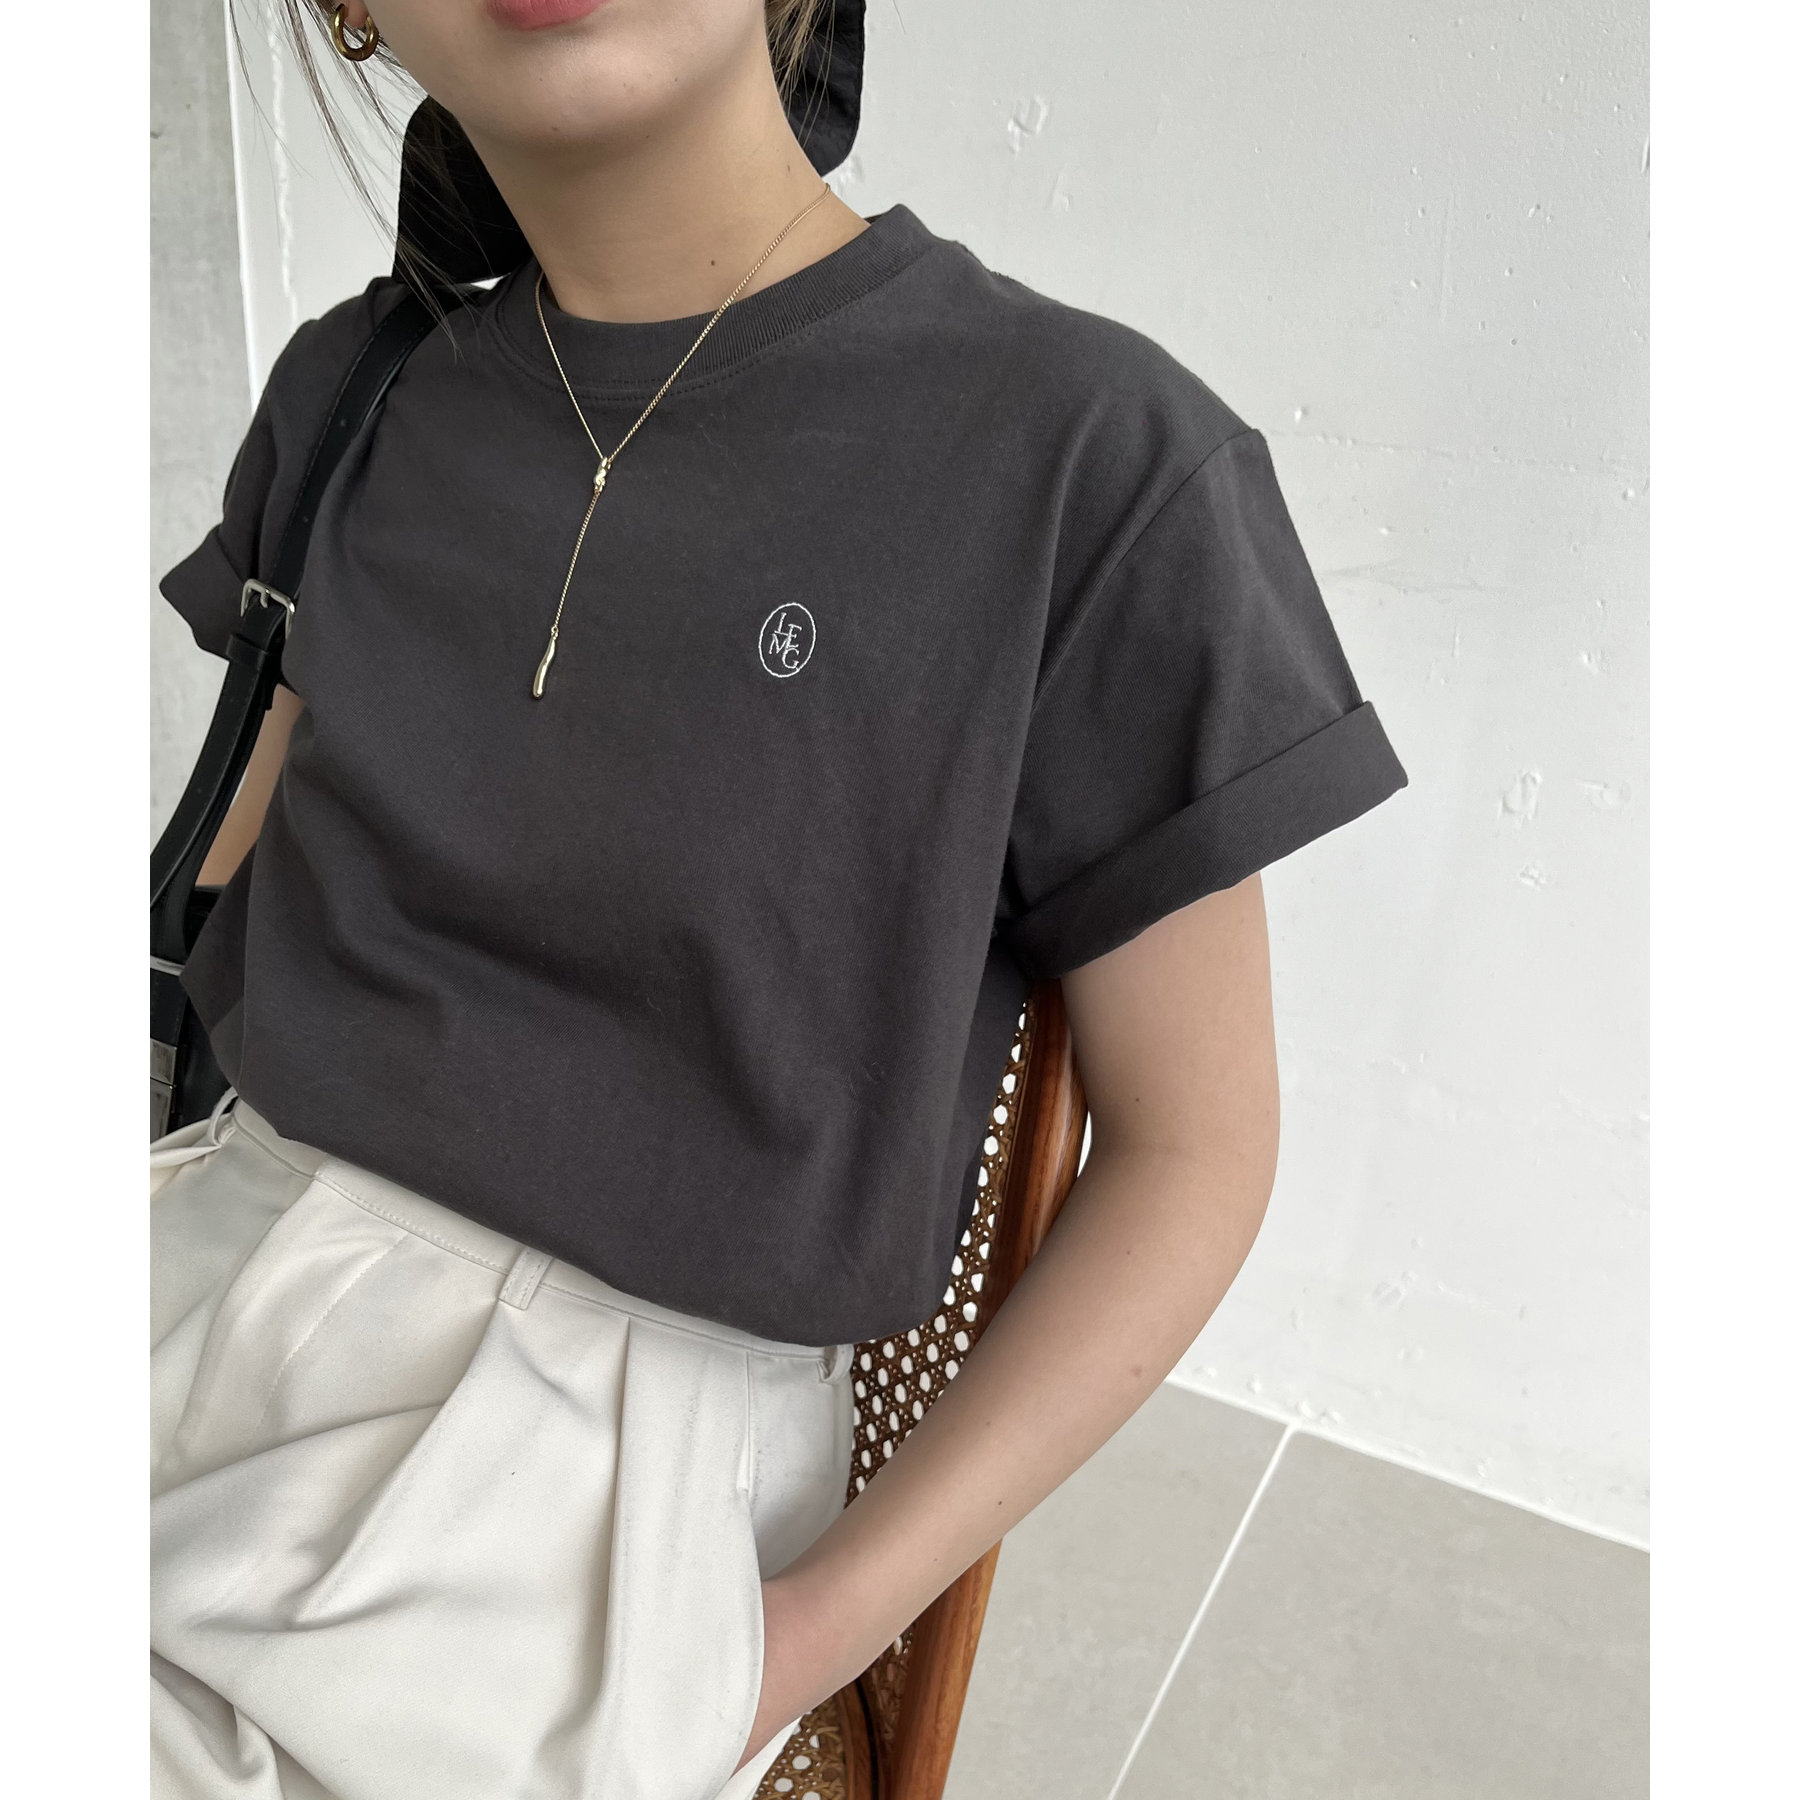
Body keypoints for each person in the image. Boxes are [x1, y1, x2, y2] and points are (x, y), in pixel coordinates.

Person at [150, 2, 1407, 1795]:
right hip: (199, 1281)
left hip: (589, 1507)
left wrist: (806, 1636)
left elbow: (1193, 1151)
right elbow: (229, 911)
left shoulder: (1091, 460)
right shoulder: (352, 391)